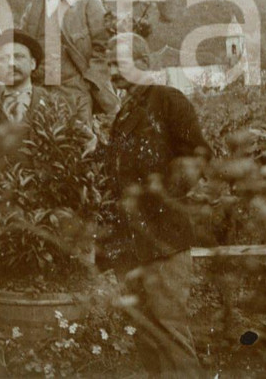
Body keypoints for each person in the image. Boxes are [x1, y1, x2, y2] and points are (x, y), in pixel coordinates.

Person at [100, 32, 209, 378]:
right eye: (108, 65)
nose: (112, 72)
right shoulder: (124, 114)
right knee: (145, 331)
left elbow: (196, 157)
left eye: (118, 63)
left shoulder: (167, 100)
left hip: (163, 239)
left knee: (170, 329)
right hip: (130, 241)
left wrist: (163, 201)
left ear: (144, 63)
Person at [18, 0, 118, 122]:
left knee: (79, 138)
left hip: (76, 95)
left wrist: (89, 82)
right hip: (39, 94)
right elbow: (22, 49)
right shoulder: (32, 9)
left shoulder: (87, 2)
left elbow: (105, 48)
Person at [0, 28, 61, 126]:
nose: (11, 63)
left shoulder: (52, 102)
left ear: (33, 63)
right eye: (3, 58)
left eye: (19, 56)